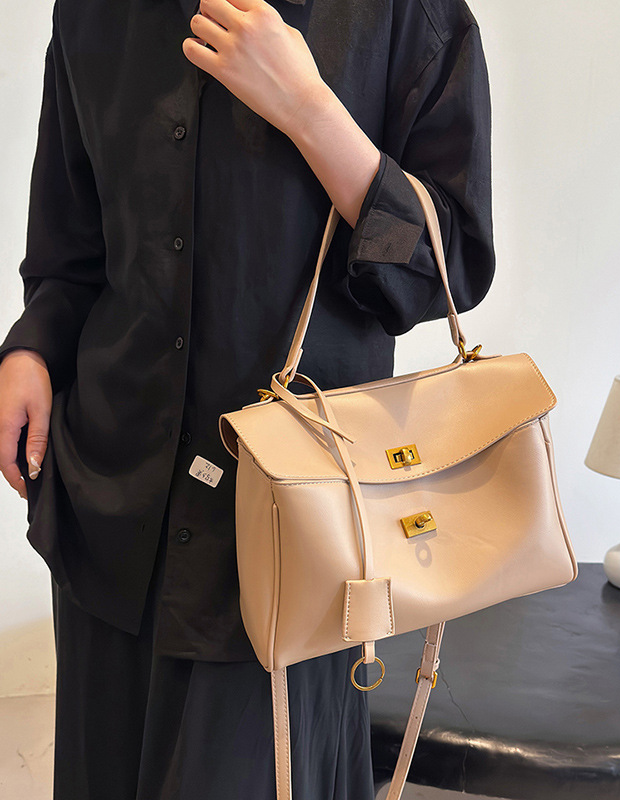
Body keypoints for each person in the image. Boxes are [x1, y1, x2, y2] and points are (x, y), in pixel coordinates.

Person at [0, 0, 495, 797]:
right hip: (112, 510)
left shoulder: (402, 15)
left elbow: (451, 265)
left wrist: (310, 110)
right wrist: (30, 348)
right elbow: (71, 251)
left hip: (289, 530)